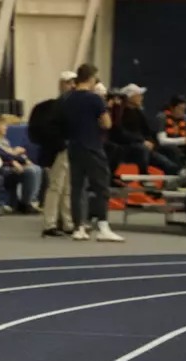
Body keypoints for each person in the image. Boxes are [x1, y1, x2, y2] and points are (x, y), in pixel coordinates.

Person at [62, 64, 124, 242]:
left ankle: (78, 227)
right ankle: (103, 226)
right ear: (91, 78)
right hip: (92, 146)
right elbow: (107, 123)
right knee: (101, 186)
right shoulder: (95, 99)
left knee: (77, 188)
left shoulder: (67, 98)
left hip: (74, 146)